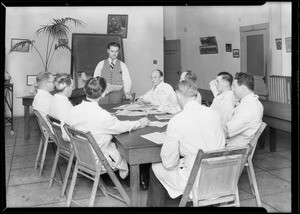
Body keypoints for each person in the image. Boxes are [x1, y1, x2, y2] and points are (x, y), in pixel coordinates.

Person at [147, 80, 225, 207]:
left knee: (156, 167)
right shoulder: (214, 114)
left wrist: (179, 162)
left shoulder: (177, 120)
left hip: (195, 181)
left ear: (178, 96)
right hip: (219, 178)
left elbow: (169, 162)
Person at [65, 77, 149, 179]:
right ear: (104, 93)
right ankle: (139, 177)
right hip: (100, 159)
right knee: (133, 150)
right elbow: (122, 127)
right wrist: (140, 123)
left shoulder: (73, 110)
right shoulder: (102, 115)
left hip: (83, 156)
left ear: (84, 90)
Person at [224, 72, 263, 148]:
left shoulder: (250, 107)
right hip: (232, 143)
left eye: (234, 86)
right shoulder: (251, 103)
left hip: (234, 150)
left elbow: (228, 130)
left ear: (243, 88)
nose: (232, 89)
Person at [49, 73, 74, 140]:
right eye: (72, 87)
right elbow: (65, 136)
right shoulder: (65, 106)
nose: (72, 90)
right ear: (66, 88)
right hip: (69, 142)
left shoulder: (53, 100)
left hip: (57, 136)